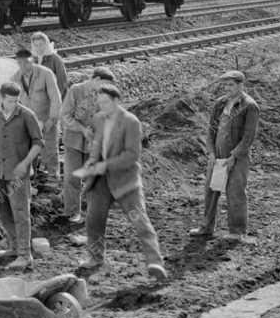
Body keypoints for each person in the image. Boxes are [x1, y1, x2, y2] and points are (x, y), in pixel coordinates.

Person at [76, 83, 167, 282]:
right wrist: (92, 162)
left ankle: (155, 262)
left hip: (125, 182)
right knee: (94, 220)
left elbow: (131, 156)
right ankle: (95, 257)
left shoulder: (131, 122)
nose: (102, 106)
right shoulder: (99, 119)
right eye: (99, 102)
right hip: (101, 182)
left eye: (105, 102)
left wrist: (106, 165)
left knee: (139, 221)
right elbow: (97, 144)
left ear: (117, 101)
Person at [189, 71, 261, 242]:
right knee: (210, 190)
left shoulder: (250, 106)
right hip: (217, 154)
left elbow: (248, 136)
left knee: (235, 192)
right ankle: (206, 227)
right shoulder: (220, 103)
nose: (227, 88)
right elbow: (212, 130)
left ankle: (237, 231)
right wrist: (212, 152)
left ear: (241, 85)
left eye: (231, 85)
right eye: (225, 85)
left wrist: (234, 156)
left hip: (237, 157)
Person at [0, 81, 44, 270]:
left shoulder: (26, 115)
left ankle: (25, 255)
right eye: (10, 101)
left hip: (18, 175)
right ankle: (14, 247)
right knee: (5, 213)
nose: (14, 104)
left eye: (16, 101)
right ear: (1, 98)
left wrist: (25, 163)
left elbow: (38, 143)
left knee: (20, 213)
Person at [58, 66, 115, 223]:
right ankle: (72, 212)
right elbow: (64, 115)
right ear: (96, 80)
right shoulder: (76, 91)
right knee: (72, 177)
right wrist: (82, 129)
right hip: (74, 141)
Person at [11, 48, 62, 182]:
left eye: (26, 62)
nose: (23, 66)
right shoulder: (15, 78)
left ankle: (52, 177)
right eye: (20, 63)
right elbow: (13, 102)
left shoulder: (46, 74)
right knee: (29, 148)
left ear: (32, 60)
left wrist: (52, 119)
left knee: (49, 148)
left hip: (46, 118)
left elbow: (56, 98)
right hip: (28, 121)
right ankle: (33, 177)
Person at [30, 31, 69, 100]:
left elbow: (62, 82)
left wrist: (55, 99)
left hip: (54, 98)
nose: (38, 48)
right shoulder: (32, 60)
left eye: (41, 44)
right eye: (36, 45)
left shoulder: (55, 59)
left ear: (46, 44)